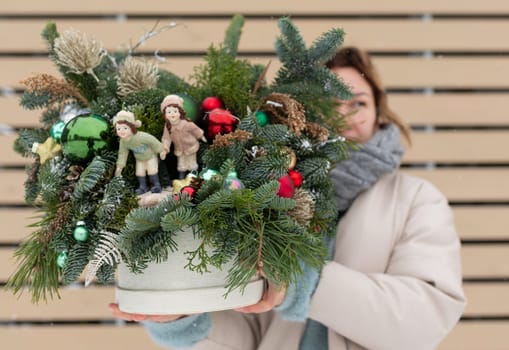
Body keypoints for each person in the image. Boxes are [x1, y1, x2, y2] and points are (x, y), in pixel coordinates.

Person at [110, 47, 466, 349]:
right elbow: (244, 332)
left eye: (358, 102)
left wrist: (305, 284)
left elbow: (424, 318)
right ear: (304, 113)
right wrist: (180, 317)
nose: (346, 115)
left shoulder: (415, 200)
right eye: (331, 103)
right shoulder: (269, 194)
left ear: (378, 111)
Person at [113, 110, 163, 194]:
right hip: (139, 159)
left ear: (132, 128)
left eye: (125, 128)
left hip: (150, 156)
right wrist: (120, 166)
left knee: (152, 170)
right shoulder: (123, 141)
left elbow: (152, 141)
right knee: (139, 172)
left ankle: (156, 185)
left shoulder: (140, 136)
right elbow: (122, 153)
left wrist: (161, 150)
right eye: (118, 129)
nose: (122, 131)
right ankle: (143, 187)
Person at [159, 94, 207, 179]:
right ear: (165, 114)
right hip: (180, 149)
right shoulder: (167, 126)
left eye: (175, 111)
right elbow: (166, 138)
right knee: (181, 164)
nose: (172, 114)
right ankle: (182, 177)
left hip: (191, 146)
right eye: (169, 112)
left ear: (180, 112)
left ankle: (193, 176)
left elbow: (195, 129)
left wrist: (201, 135)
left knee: (191, 163)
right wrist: (165, 149)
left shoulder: (185, 123)